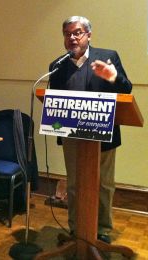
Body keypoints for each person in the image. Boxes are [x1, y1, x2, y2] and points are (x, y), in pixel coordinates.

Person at [49, 16, 132, 244]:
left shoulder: (107, 57)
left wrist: (113, 77)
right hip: (72, 137)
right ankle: (77, 228)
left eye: (77, 33)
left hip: (103, 135)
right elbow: (54, 103)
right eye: (67, 34)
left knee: (103, 185)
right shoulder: (57, 65)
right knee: (74, 184)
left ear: (88, 35)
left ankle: (102, 229)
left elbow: (127, 89)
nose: (72, 38)